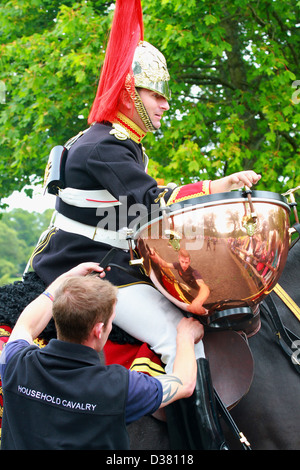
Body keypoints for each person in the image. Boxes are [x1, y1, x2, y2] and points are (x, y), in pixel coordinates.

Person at [28, 0, 261, 449]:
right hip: (92, 267)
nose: (165, 104)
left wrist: (215, 184)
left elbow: (138, 198)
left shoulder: (115, 141)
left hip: (105, 256)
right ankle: (203, 444)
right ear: (130, 91)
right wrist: (214, 195)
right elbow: (154, 205)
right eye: (157, 94)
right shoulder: (105, 146)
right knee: (179, 338)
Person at [0, 262, 204, 450]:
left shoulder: (18, 363)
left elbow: (26, 325)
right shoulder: (120, 387)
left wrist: (65, 280)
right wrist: (185, 337)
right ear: (99, 330)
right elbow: (184, 384)